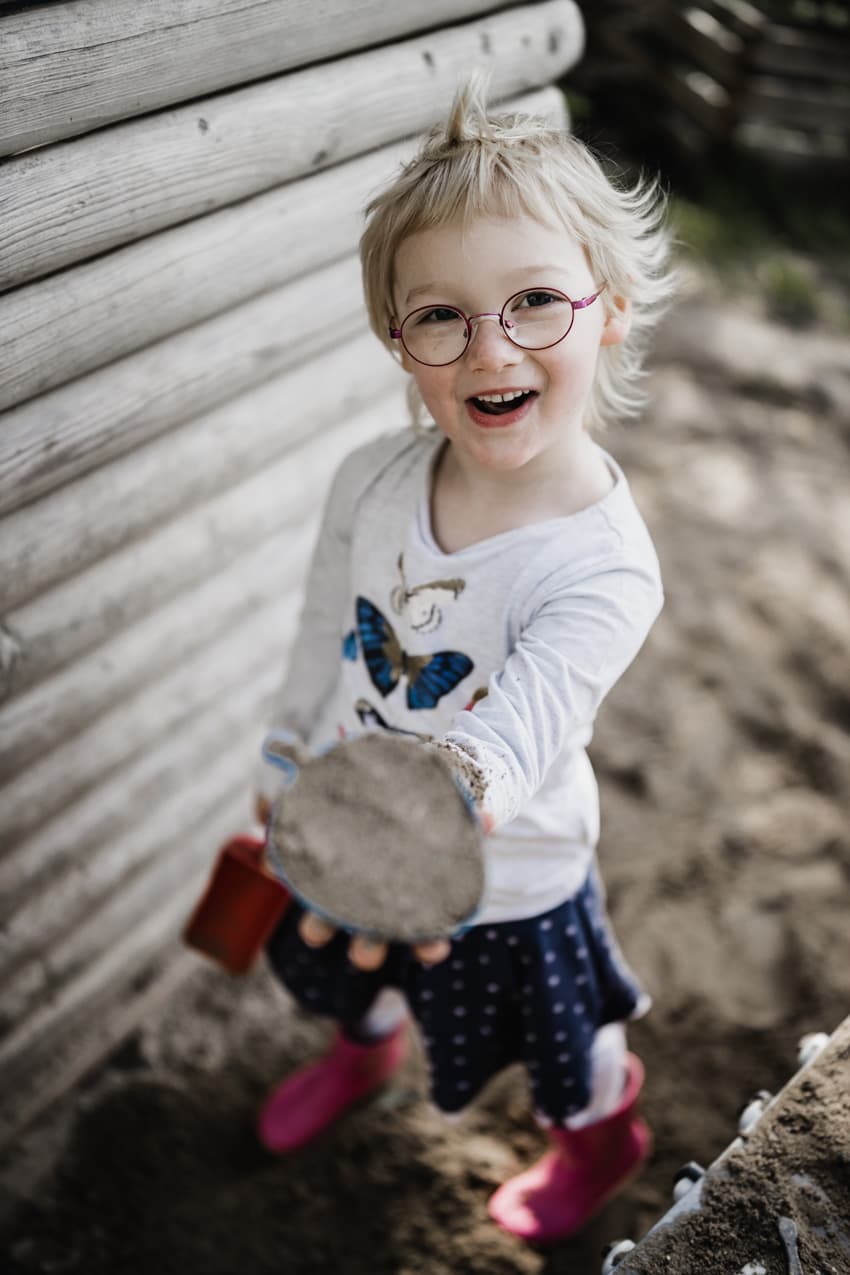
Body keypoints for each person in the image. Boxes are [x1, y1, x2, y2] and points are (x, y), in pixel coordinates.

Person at [253, 77, 675, 1244]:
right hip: (354, 804)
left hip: (514, 867)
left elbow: (523, 723)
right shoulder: (371, 481)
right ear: (398, 338)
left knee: (558, 1044)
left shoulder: (603, 567)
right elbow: (318, 628)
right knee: (353, 966)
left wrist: (448, 794)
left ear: (611, 310)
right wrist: (288, 749)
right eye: (439, 315)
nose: (488, 345)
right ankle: (365, 1053)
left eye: (535, 301)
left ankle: (599, 1137)